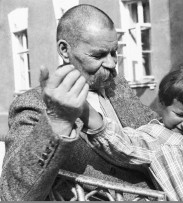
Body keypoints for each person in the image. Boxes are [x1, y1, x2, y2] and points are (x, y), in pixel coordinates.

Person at [0, 4, 159, 201]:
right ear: (65, 50)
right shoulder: (33, 105)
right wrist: (58, 120)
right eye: (99, 55)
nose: (111, 63)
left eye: (113, 52)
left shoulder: (119, 87)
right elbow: (13, 194)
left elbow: (158, 135)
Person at [80, 64, 183, 201]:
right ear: (162, 103)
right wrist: (82, 107)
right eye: (180, 115)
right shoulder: (154, 138)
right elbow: (119, 141)